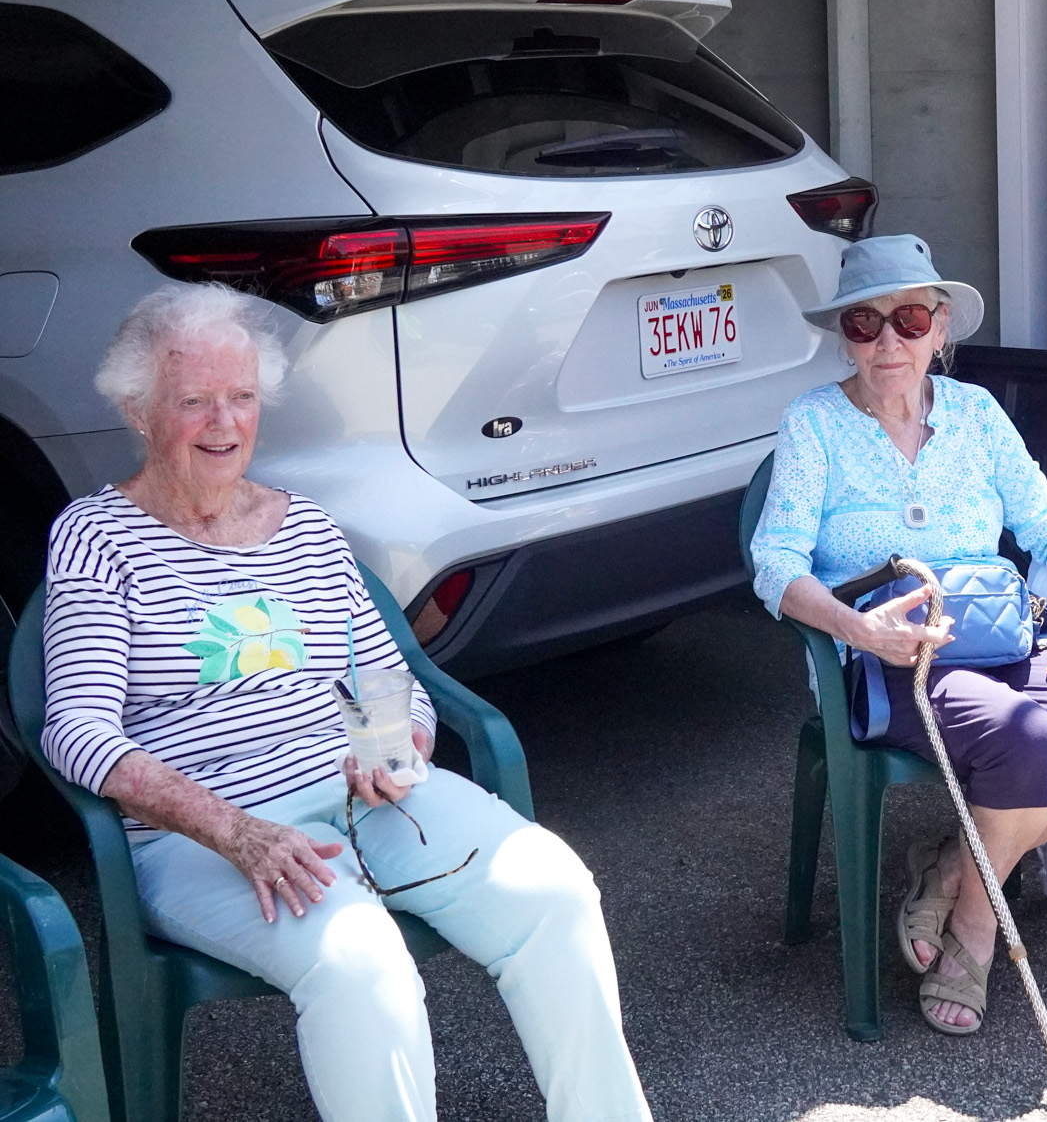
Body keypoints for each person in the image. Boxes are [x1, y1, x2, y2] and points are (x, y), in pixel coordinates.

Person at [40, 283, 652, 1122]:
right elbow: (74, 730)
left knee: (555, 891)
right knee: (362, 958)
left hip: (366, 799)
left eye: (243, 397)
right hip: (211, 833)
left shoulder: (309, 531)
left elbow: (388, 679)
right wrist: (235, 831)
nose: (226, 423)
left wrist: (398, 748)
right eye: (195, 401)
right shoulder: (96, 536)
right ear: (140, 412)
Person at [750, 234, 1047, 1036]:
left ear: (940, 330)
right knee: (1026, 741)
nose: (888, 341)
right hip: (894, 655)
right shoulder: (813, 424)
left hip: (1004, 633)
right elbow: (773, 560)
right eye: (865, 324)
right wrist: (852, 625)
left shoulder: (977, 414)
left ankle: (952, 873)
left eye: (907, 319)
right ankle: (976, 935)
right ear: (844, 336)